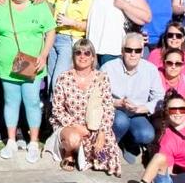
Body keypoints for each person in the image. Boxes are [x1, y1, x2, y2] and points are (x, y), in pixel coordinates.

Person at [0, 0, 55, 163]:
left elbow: (50, 31)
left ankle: (33, 142)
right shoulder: (0, 5)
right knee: (11, 101)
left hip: (32, 64)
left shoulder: (38, 4)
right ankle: (11, 141)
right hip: (6, 66)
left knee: (31, 101)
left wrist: (44, 54)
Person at [49, 38, 121, 175]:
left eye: (87, 53)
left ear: (93, 57)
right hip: (70, 125)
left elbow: (108, 107)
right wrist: (76, 126)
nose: (82, 56)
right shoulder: (63, 78)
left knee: (105, 160)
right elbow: (57, 109)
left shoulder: (102, 77)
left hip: (94, 127)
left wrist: (102, 133)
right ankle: (69, 153)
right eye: (78, 53)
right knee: (73, 139)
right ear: (73, 56)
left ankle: (87, 154)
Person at [102, 33, 165, 161]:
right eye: (129, 50)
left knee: (146, 135)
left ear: (142, 52)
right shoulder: (108, 68)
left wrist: (141, 108)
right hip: (116, 110)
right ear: (122, 51)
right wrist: (117, 103)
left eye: (137, 50)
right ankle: (109, 146)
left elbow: (159, 98)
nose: (133, 54)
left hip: (138, 113)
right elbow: (98, 96)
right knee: (121, 121)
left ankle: (129, 143)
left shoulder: (151, 70)